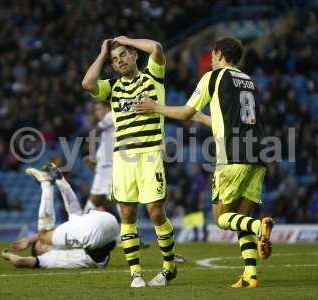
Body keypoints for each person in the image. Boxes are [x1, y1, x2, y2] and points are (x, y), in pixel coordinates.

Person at [135, 36, 274, 288]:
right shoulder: (249, 81)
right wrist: (203, 119)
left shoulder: (213, 77)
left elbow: (185, 112)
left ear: (220, 53)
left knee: (222, 218)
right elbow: (233, 119)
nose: (210, 59)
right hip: (259, 152)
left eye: (212, 54)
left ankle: (259, 226)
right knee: (240, 217)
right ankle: (250, 275)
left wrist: (156, 107)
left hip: (232, 153)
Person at [82, 36, 180, 288]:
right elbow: (87, 82)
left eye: (124, 55)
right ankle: (135, 273)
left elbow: (157, 48)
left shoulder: (153, 77)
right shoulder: (112, 87)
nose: (120, 61)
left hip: (149, 155)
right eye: (115, 60)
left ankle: (169, 267)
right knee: (127, 213)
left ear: (135, 55)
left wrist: (127, 40)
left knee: (155, 212)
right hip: (122, 158)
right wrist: (103, 53)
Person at [1, 163, 119, 269]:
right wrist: (9, 255)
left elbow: (22, 260)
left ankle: (53, 181)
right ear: (43, 251)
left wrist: (23, 244)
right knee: (57, 228)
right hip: (107, 222)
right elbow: (21, 261)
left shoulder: (66, 243)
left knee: (70, 221)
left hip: (107, 232)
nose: (46, 243)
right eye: (42, 244)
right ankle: (53, 181)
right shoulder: (49, 257)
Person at [83, 101, 120, 221]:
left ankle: (130, 233)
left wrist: (92, 156)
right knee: (97, 202)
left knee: (118, 201)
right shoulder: (108, 126)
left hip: (110, 168)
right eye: (95, 110)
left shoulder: (111, 115)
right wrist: (94, 161)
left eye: (99, 109)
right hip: (105, 167)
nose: (97, 112)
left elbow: (93, 133)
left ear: (107, 108)